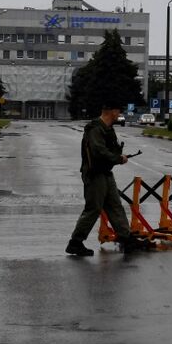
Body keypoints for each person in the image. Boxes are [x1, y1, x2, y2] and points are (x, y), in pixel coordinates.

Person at [66, 101, 136, 256]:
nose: (119, 114)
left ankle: (127, 239)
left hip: (105, 173)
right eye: (118, 110)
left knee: (115, 205)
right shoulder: (95, 129)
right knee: (93, 209)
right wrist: (118, 159)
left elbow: (109, 149)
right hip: (94, 173)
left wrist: (118, 155)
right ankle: (75, 242)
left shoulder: (108, 128)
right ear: (111, 111)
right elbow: (99, 151)